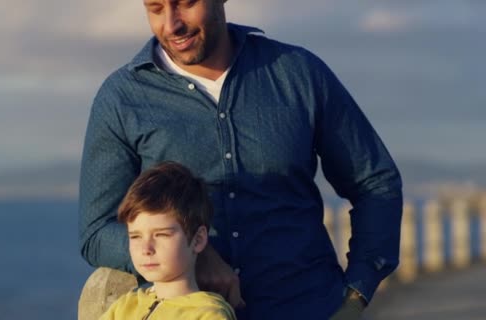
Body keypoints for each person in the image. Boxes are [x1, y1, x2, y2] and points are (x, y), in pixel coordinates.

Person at [79, 0, 403, 319]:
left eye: (186, 3)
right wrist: (196, 252)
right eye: (156, 8)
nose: (172, 24)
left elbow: (374, 182)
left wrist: (356, 293)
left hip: (308, 307)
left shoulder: (298, 73)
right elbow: (96, 231)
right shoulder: (122, 98)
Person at [99, 161, 236, 320]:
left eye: (161, 235)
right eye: (135, 236)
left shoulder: (208, 314)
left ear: (198, 240)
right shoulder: (124, 307)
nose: (146, 249)